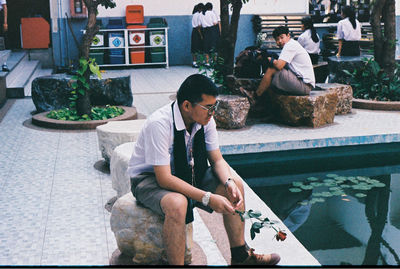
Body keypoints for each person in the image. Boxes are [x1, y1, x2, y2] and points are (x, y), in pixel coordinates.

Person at [127, 74, 281, 266]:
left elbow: (216, 159)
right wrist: (207, 197)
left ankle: (241, 257)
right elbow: (164, 178)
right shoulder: (159, 123)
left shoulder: (205, 120)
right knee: (177, 203)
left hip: (188, 171)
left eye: (214, 107)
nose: (213, 112)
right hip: (149, 179)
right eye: (209, 107)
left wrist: (229, 183)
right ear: (186, 106)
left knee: (236, 185)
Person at [246, 26, 315, 105]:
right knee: (270, 76)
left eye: (282, 37)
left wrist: (269, 59)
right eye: (277, 39)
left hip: (304, 86)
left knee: (272, 70)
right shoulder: (292, 44)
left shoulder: (290, 45)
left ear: (288, 36)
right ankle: (261, 100)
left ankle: (255, 96)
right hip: (302, 83)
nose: (280, 41)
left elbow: (279, 66)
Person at [191, 3, 204, 68]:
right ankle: (196, 62)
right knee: (196, 47)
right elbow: (198, 26)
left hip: (195, 31)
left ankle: (195, 62)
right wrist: (201, 35)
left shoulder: (194, 14)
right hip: (197, 31)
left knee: (195, 47)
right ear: (200, 9)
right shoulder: (198, 15)